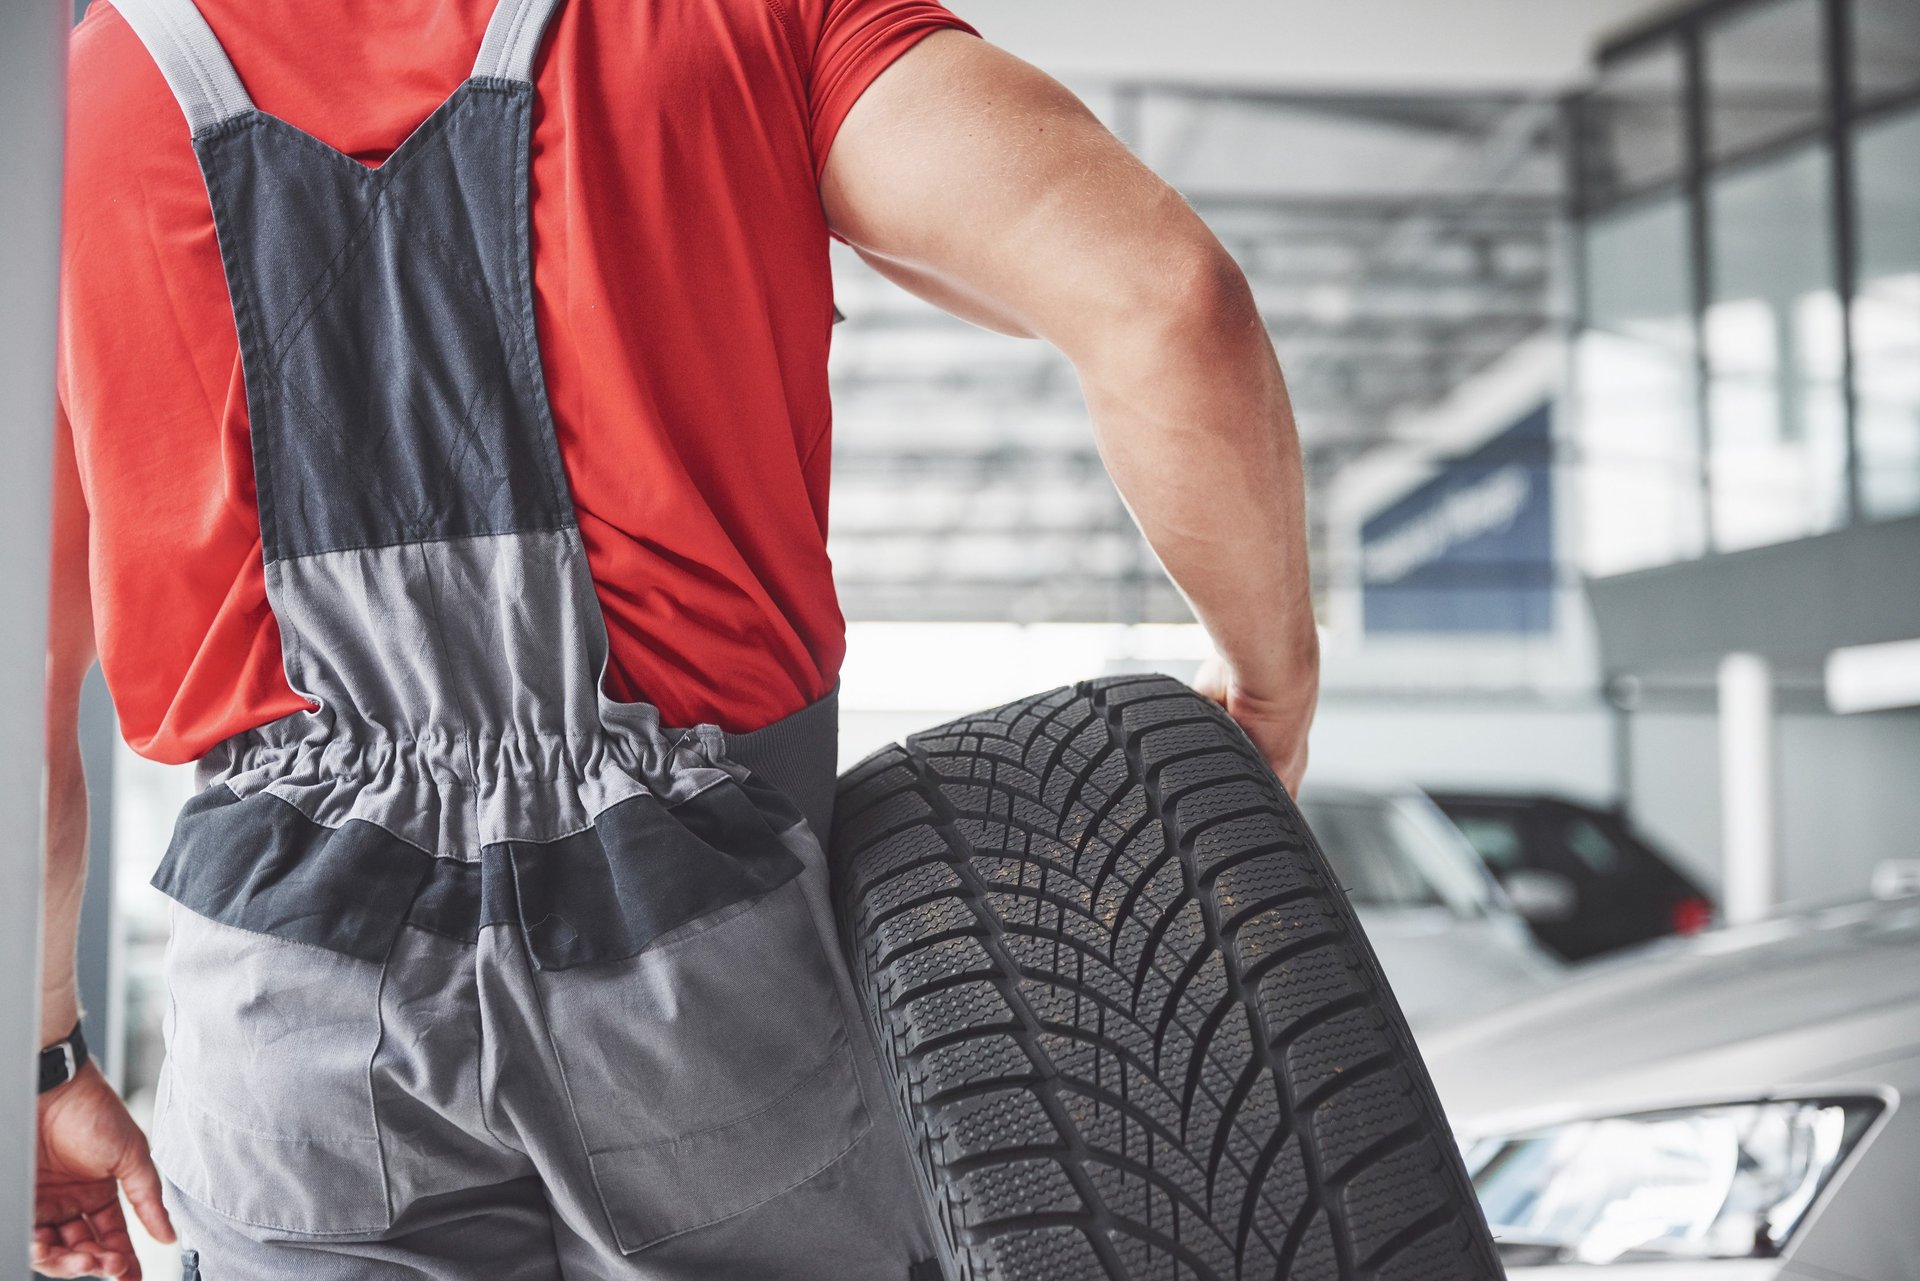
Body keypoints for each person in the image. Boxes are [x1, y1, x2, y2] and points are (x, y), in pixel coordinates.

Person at [34, 0, 1319, 1276]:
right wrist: (1269, 692)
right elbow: (1167, 302)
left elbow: (27, 678)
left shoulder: (69, 108)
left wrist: (39, 1051)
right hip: (697, 951)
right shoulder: (742, 17)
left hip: (288, 988)